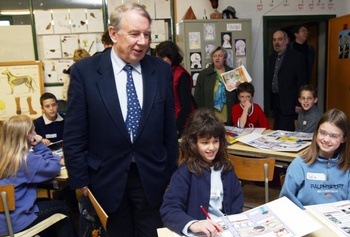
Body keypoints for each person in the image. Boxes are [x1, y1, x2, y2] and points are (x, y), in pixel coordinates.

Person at [63, 3, 178, 237]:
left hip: (151, 177)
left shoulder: (161, 71)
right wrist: (80, 180)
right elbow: (74, 133)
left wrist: (169, 172)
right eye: (135, 34)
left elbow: (169, 127)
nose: (143, 41)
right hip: (105, 178)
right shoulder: (85, 73)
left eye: (147, 34)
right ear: (113, 34)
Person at [160, 108, 243, 236]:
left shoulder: (227, 168)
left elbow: (237, 201)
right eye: (205, 143)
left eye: (215, 141)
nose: (212, 147)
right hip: (201, 232)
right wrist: (193, 224)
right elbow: (169, 209)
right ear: (194, 143)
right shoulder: (185, 173)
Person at [0, 115, 76, 237]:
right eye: (33, 131)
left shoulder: (4, 155)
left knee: (46, 202)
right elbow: (54, 168)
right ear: (27, 134)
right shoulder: (25, 160)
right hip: (15, 222)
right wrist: (39, 144)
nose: (36, 133)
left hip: (3, 220)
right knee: (62, 207)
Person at [280, 109, 350, 209]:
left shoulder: (347, 168)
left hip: (338, 222)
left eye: (334, 136)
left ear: (343, 139)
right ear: (316, 132)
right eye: (322, 133)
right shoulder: (299, 165)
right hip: (305, 220)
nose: (326, 139)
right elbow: (286, 201)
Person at [154, 40, 196, 136]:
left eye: (162, 58)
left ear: (171, 57)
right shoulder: (163, 72)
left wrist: (176, 128)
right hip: (168, 121)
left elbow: (186, 107)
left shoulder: (181, 75)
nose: (159, 62)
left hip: (181, 124)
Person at [268, 30, 307, 131]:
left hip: (290, 102)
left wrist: (299, 103)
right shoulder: (271, 58)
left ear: (286, 40)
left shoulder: (297, 57)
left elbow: (302, 81)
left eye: (280, 39)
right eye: (274, 40)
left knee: (286, 132)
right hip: (275, 101)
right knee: (275, 131)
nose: (277, 42)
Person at [194, 46, 238, 126]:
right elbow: (197, 97)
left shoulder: (232, 73)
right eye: (215, 56)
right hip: (210, 117)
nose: (217, 58)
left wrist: (239, 87)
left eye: (220, 56)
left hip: (228, 116)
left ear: (224, 58)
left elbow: (238, 96)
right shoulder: (204, 74)